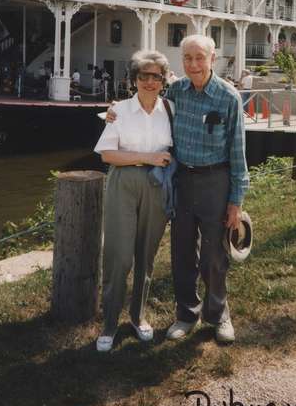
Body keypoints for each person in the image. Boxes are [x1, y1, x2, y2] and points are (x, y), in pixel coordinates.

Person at [106, 34, 249, 343]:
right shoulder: (177, 93)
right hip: (182, 180)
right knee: (182, 253)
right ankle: (186, 314)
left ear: (213, 59)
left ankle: (218, 314)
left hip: (216, 180)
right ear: (181, 62)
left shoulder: (228, 97)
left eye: (200, 57)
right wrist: (115, 110)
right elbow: (147, 100)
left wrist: (236, 200)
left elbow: (238, 154)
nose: (193, 64)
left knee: (214, 254)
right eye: (187, 58)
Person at [94, 50, 174, 352]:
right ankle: (110, 323)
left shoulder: (171, 109)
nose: (150, 81)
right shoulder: (120, 111)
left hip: (157, 184)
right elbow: (107, 154)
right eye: (144, 76)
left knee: (146, 255)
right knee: (119, 255)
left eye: (156, 76)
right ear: (134, 79)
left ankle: (138, 317)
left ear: (163, 80)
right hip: (123, 182)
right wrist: (146, 157)